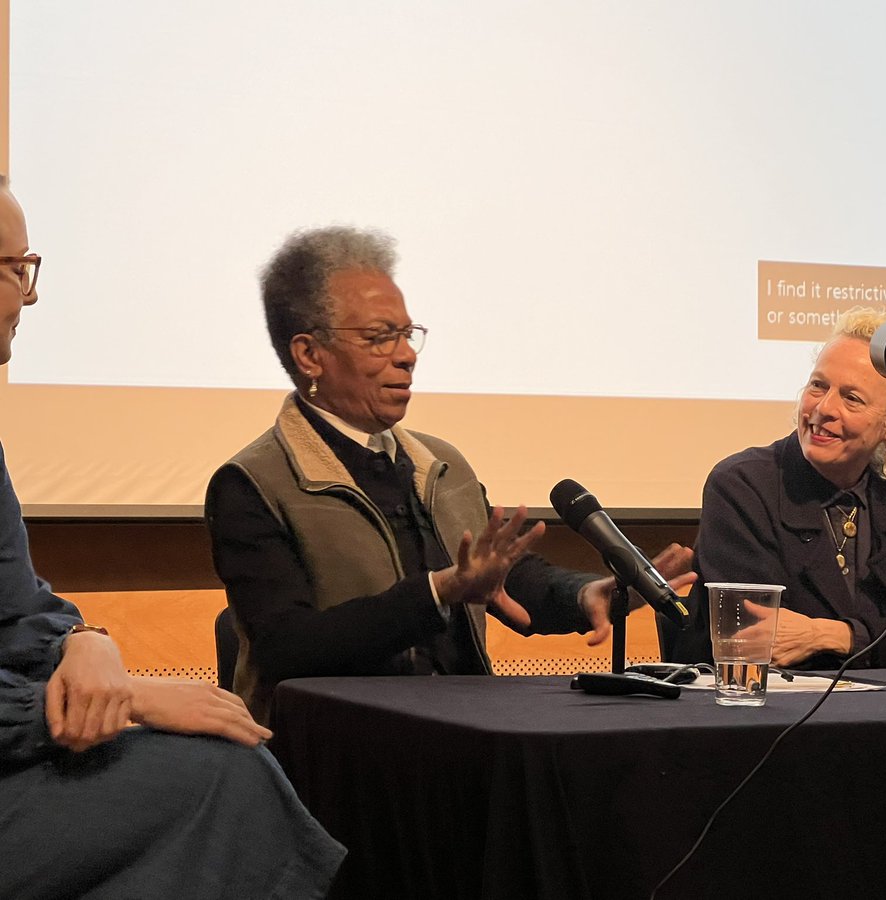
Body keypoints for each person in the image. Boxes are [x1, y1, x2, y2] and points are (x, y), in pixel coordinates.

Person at [0, 178, 345, 898]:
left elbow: (19, 608)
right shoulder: (255, 477)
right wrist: (115, 702)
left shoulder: (440, 467)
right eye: (12, 269)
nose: (28, 297)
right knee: (219, 779)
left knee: (225, 761)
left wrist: (84, 640)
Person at [205, 226, 693, 723]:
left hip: (463, 729)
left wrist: (582, 594)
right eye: (379, 338)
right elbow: (287, 649)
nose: (407, 355)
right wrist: (439, 592)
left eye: (407, 334)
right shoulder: (253, 482)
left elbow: (504, 576)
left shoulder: (440, 465)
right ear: (309, 355)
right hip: (336, 746)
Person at [666, 307, 886, 669]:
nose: (823, 408)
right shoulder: (742, 485)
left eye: (851, 398)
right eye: (818, 385)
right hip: (771, 712)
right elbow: (762, 638)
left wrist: (832, 635)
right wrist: (880, 637)